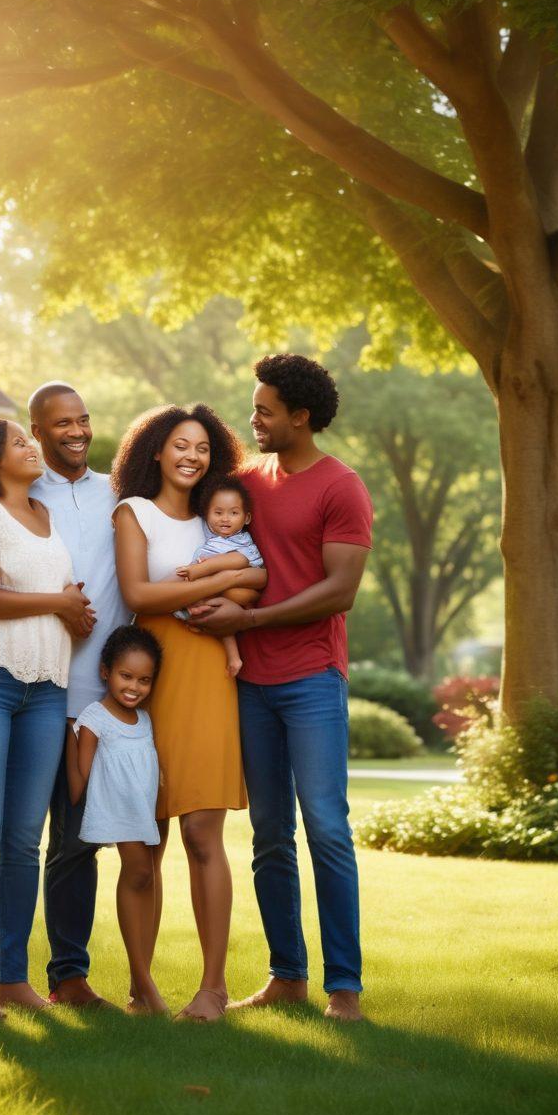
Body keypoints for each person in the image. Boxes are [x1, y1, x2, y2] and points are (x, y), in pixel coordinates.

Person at [189, 354, 373, 1022]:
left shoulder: (341, 487)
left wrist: (250, 620)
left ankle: (344, 987)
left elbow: (340, 590)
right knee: (269, 833)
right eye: (254, 407)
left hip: (312, 678)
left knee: (325, 827)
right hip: (249, 683)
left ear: (301, 416)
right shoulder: (245, 484)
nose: (254, 419)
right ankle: (287, 975)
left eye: (265, 410)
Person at [0, 383, 129, 1009]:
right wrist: (59, 604)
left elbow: (48, 592)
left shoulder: (45, 518)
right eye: (20, 440)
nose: (30, 447)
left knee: (25, 842)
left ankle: (15, 980)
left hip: (47, 690)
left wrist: (72, 612)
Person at [111, 404, 266, 1021]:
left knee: (202, 833)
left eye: (202, 447)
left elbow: (256, 582)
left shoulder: (219, 518)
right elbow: (138, 594)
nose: (192, 457)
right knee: (143, 842)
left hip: (207, 674)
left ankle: (213, 989)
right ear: (156, 449)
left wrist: (222, 577)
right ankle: (142, 989)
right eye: (181, 444)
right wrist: (217, 579)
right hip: (147, 677)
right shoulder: (134, 512)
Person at [67, 625, 167, 1016]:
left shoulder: (145, 719)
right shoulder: (95, 717)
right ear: (106, 672)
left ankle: (140, 986)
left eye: (144, 680)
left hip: (142, 811)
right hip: (118, 811)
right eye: (126, 676)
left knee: (146, 876)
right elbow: (79, 783)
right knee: (138, 872)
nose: (134, 687)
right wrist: (69, 734)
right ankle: (144, 984)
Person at [174, 476, 265, 677]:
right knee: (213, 611)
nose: (225, 519)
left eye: (234, 513)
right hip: (218, 591)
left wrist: (200, 569)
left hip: (240, 587)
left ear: (246, 518)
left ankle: (199, 610)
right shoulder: (210, 532)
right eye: (218, 513)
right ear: (207, 515)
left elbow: (239, 560)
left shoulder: (241, 539)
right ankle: (233, 656)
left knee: (220, 590)